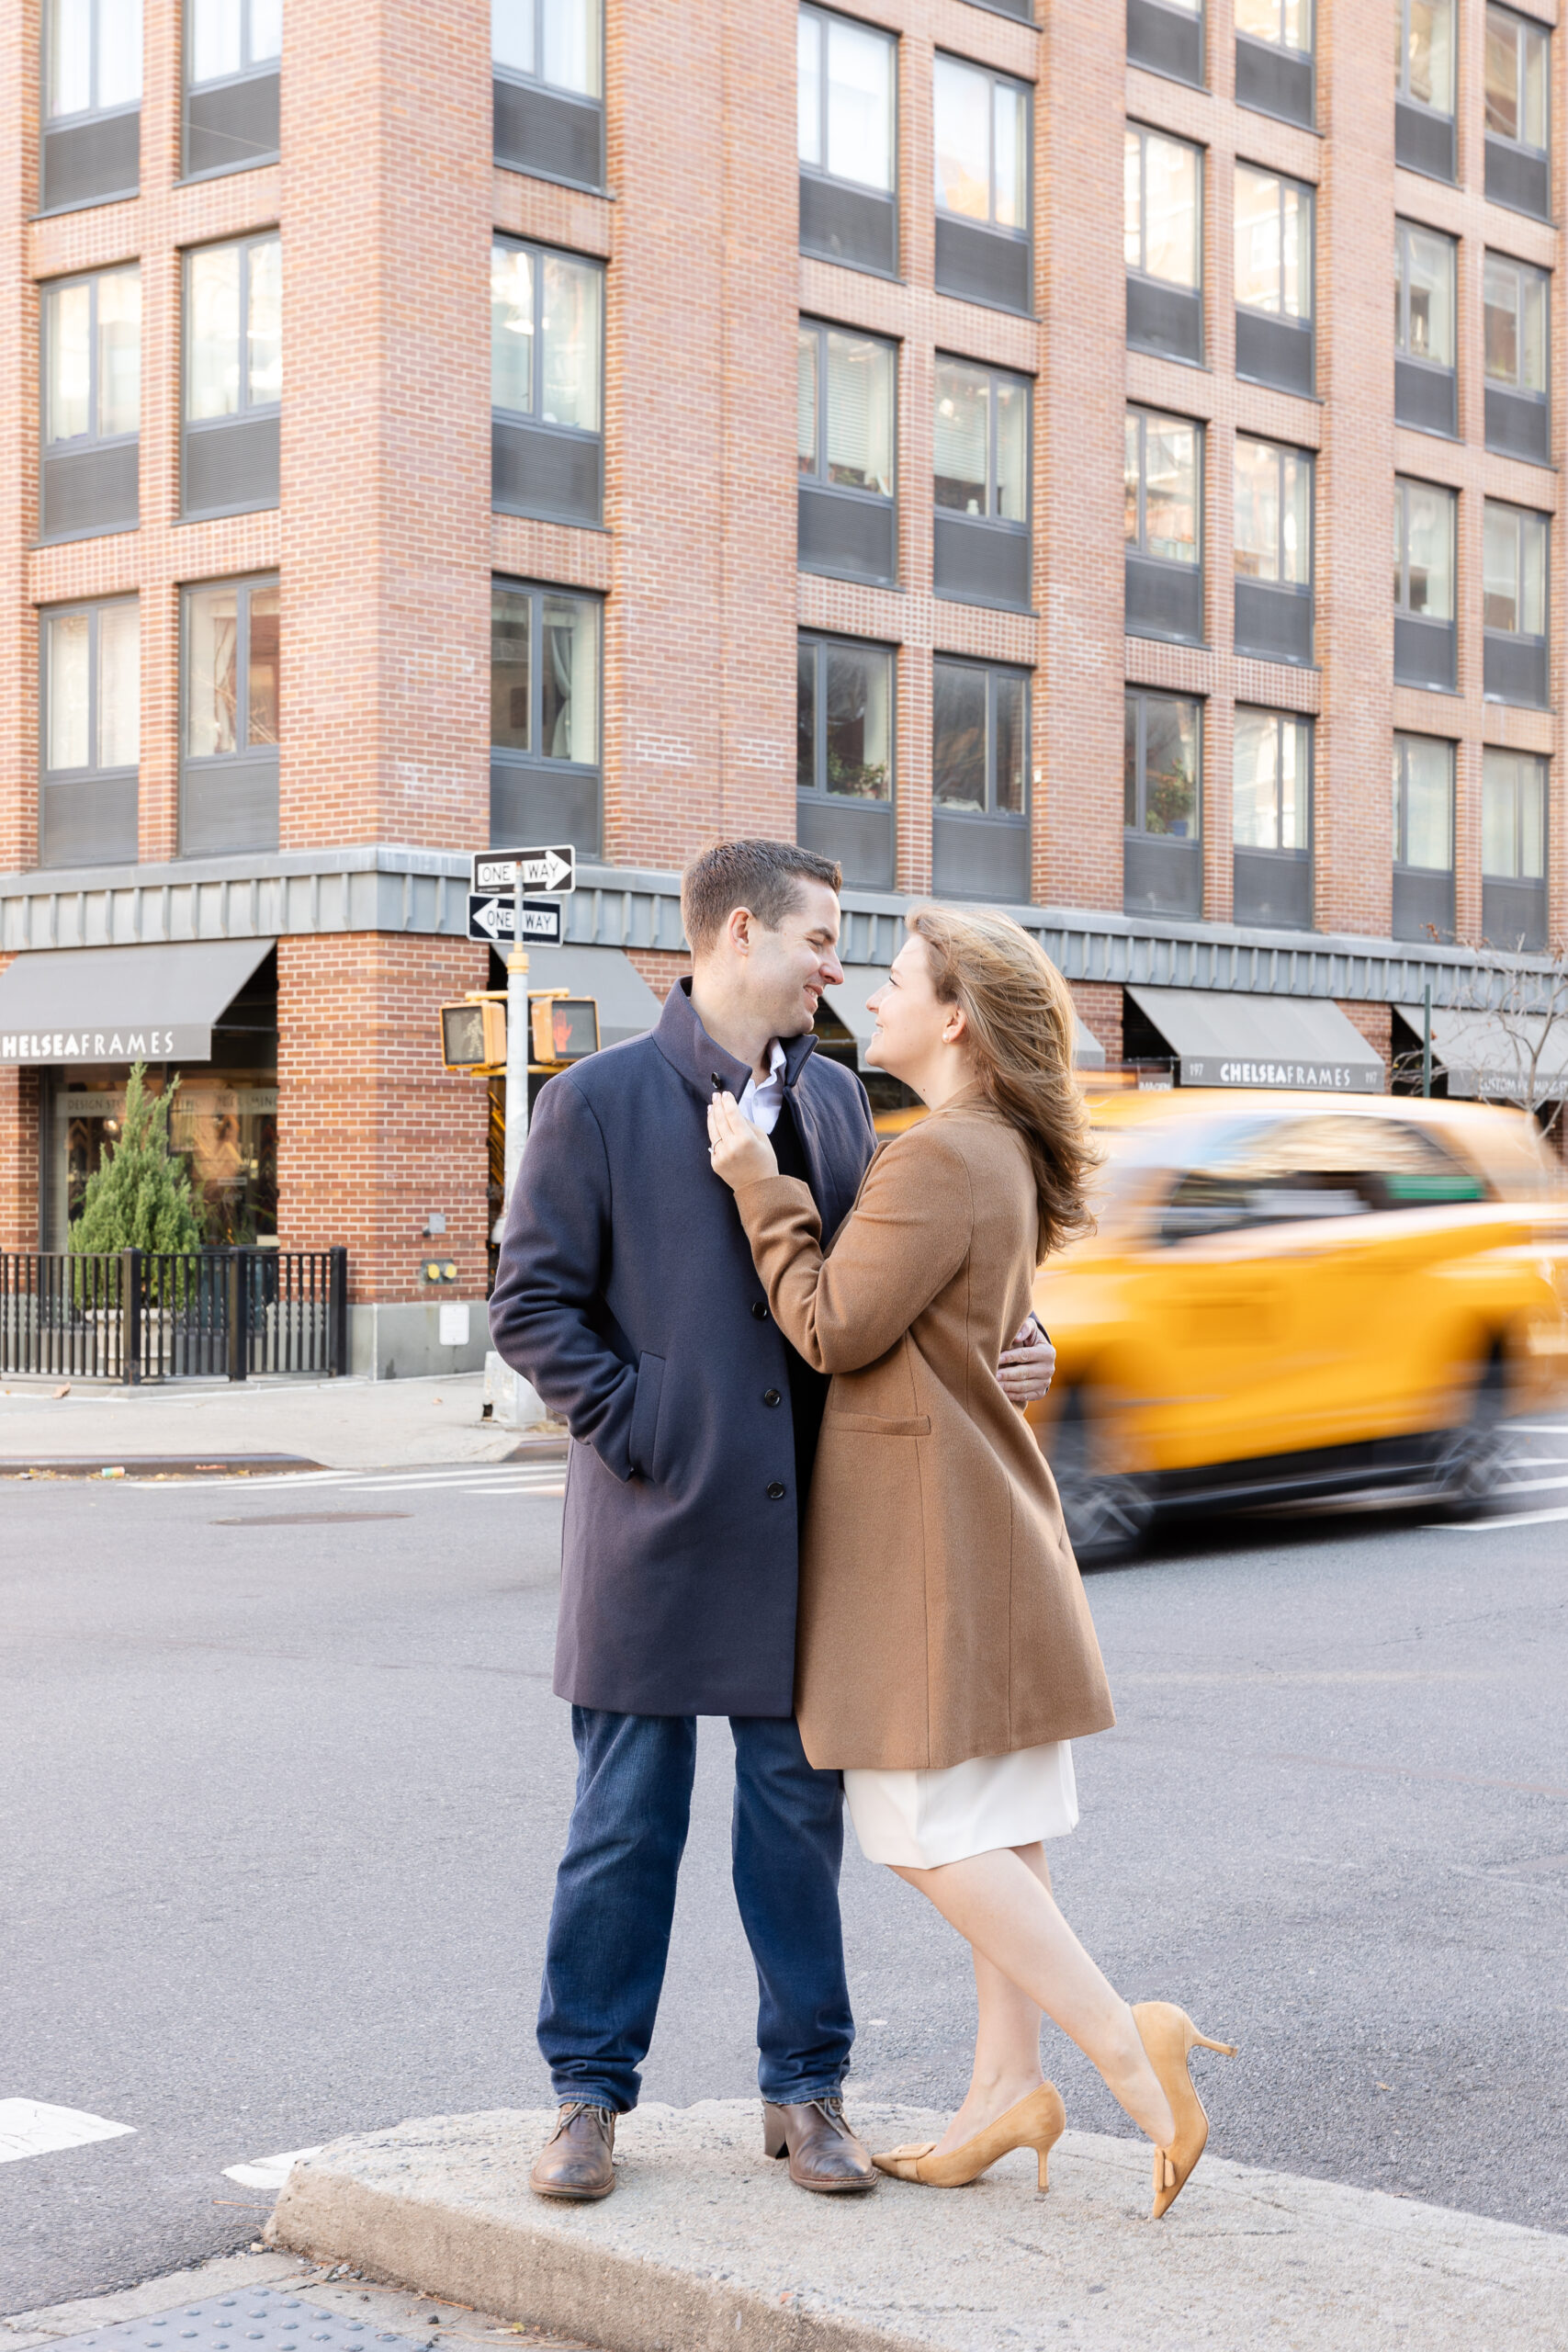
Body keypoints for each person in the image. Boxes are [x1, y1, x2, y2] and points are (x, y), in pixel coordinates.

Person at [488, 841, 1058, 2203]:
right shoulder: (598, 1103)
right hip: (648, 1530)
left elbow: (883, 1290)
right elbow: (530, 1306)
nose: (837, 967)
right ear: (739, 935)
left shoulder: (846, 1103)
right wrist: (644, 1426)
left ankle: (807, 2090)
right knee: (625, 1822)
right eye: (820, 939)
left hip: (812, 1536)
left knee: (793, 1823)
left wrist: (1020, 1343)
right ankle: (585, 2097)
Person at [707, 902, 1235, 2221]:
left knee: (917, 1828)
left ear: (954, 1017)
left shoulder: (941, 1155)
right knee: (1000, 1823)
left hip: (930, 1543)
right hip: (989, 1527)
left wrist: (756, 1184)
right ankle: (1005, 2087)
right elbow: (972, 1324)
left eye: (890, 981)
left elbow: (829, 1326)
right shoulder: (994, 1151)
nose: (866, 997)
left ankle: (1129, 2050)